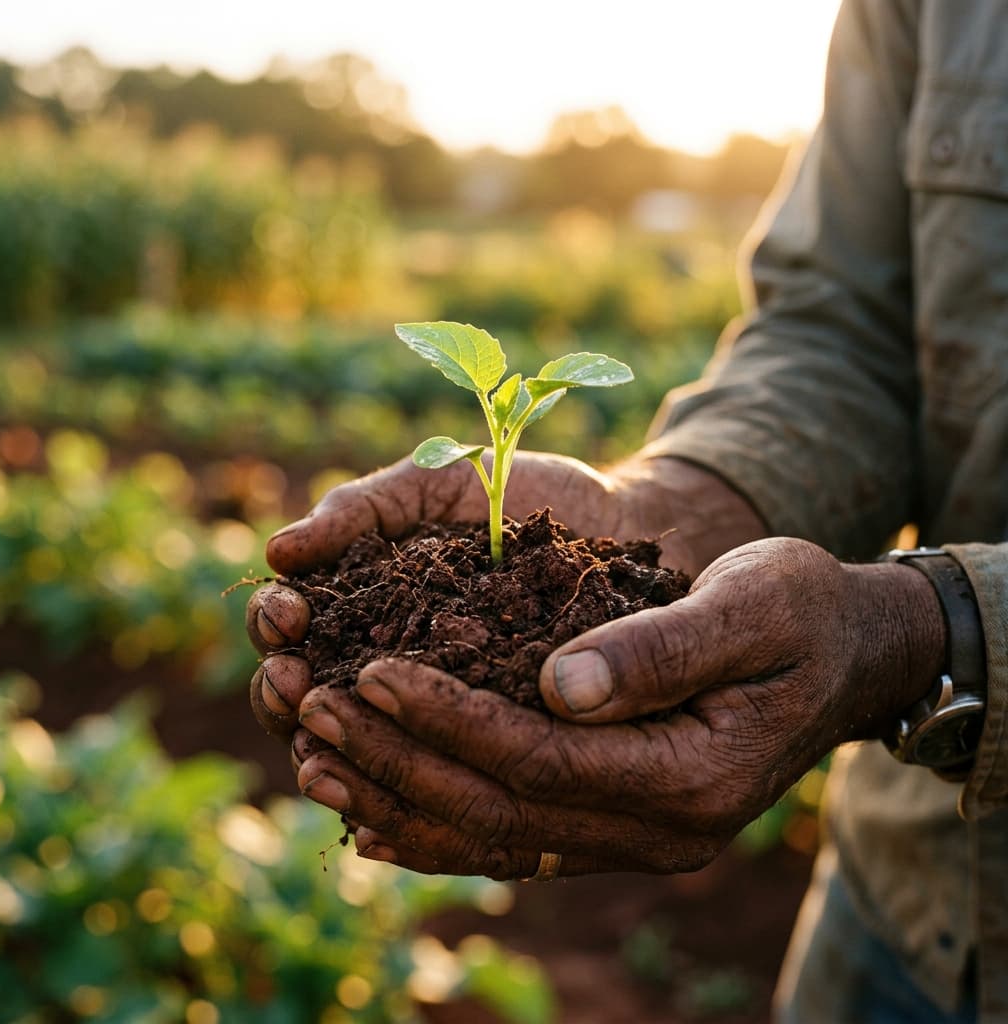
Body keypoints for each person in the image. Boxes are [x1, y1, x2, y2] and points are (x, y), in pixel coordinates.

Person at [246, 1, 1008, 1019]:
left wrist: (924, 633)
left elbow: (904, 630)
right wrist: (688, 502)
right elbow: (841, 331)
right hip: (910, 903)